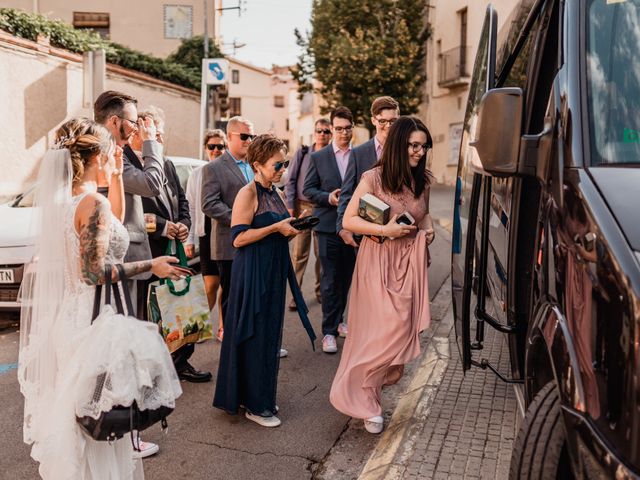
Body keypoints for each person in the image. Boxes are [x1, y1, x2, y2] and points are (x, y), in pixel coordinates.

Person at [18, 118, 190, 479]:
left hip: (76, 317)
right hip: (91, 325)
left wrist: (113, 178)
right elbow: (93, 273)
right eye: (114, 153)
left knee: (92, 417)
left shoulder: (76, 202)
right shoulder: (92, 205)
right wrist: (151, 265)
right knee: (99, 418)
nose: (119, 158)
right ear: (97, 155)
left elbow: (116, 228)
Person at [329, 116, 436, 435]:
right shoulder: (373, 178)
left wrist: (428, 230)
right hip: (377, 261)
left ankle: (371, 387)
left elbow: (424, 213)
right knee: (380, 332)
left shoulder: (424, 180)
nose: (419, 152)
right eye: (414, 145)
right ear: (399, 145)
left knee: (401, 332)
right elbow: (349, 220)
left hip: (409, 264)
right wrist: (384, 229)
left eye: (424, 146)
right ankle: (366, 401)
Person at [212, 134, 316, 428]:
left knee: (269, 334)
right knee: (255, 334)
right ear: (257, 164)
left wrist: (293, 226)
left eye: (285, 163)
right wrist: (275, 228)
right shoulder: (249, 193)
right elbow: (238, 238)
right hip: (253, 272)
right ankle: (256, 406)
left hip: (272, 270)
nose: (283, 169)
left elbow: (279, 227)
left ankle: (258, 396)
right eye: (277, 164)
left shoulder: (276, 192)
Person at [93, 91, 165, 458]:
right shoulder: (106, 157)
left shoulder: (110, 153)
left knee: (116, 353)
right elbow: (153, 184)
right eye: (135, 121)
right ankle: (125, 434)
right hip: (122, 265)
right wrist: (151, 141)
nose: (139, 127)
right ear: (114, 122)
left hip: (124, 260)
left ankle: (116, 428)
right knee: (123, 353)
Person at [132, 107, 212, 383]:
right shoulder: (131, 166)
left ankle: (180, 362)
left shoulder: (165, 163)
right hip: (148, 252)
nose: (158, 140)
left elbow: (182, 200)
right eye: (153, 135)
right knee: (152, 314)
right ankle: (155, 369)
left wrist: (184, 225)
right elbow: (132, 217)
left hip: (174, 247)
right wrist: (165, 229)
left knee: (182, 305)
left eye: (160, 135)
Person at [303, 106, 356, 353]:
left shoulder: (361, 155)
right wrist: (328, 197)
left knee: (346, 278)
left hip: (353, 226)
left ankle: (340, 319)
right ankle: (328, 331)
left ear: (352, 129)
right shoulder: (318, 157)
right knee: (330, 278)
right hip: (326, 226)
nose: (343, 133)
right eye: (338, 129)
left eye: (347, 128)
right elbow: (308, 190)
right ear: (332, 129)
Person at [337, 96, 400, 246]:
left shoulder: (406, 150)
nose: (388, 125)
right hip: (367, 233)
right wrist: (342, 227)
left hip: (398, 231)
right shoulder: (358, 153)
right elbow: (347, 193)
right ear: (373, 121)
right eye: (382, 121)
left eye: (393, 121)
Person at [284, 118, 331, 310]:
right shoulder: (303, 153)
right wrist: (289, 206)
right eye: (319, 131)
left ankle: (321, 292)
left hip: (323, 209)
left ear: (330, 134)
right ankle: (296, 294)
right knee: (299, 254)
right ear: (314, 132)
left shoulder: (331, 155)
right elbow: (291, 180)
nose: (322, 134)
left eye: (326, 131)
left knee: (322, 254)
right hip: (303, 207)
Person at [185, 129, 226, 341]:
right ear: (205, 149)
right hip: (206, 232)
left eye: (220, 146)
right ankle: (199, 327)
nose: (216, 150)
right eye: (212, 146)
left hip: (226, 233)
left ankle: (223, 327)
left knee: (226, 284)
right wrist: (189, 239)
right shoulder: (196, 174)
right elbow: (190, 207)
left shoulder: (229, 170)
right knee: (210, 284)